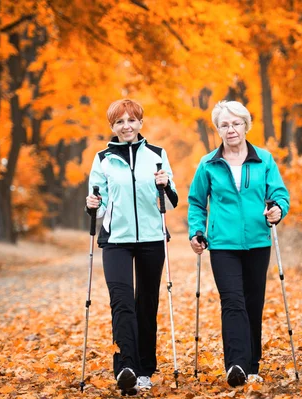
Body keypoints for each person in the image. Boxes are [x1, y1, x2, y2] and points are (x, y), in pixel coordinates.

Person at [187, 100, 290, 387]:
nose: (230, 129)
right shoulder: (208, 164)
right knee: (232, 301)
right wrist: (196, 231)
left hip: (258, 241)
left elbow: (280, 194)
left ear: (245, 125)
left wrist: (278, 209)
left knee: (253, 302)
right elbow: (196, 203)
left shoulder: (264, 159)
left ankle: (252, 364)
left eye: (235, 123)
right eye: (224, 125)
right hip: (222, 244)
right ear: (217, 129)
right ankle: (236, 364)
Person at [85, 99, 178, 393]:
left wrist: (165, 184)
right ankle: (126, 366)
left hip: (152, 238)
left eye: (131, 120)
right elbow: (97, 207)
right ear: (112, 127)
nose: (126, 126)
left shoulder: (157, 155)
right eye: (120, 122)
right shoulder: (102, 159)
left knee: (146, 303)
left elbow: (171, 202)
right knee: (122, 302)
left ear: (140, 123)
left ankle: (145, 369)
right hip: (116, 241)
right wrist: (92, 204)